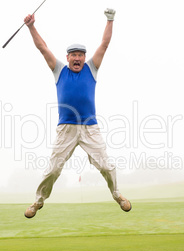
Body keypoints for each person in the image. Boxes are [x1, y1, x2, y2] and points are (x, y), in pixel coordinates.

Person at [23, 8, 131, 218]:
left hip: (90, 128)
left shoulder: (92, 69)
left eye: (80, 55)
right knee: (53, 170)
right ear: (68, 57)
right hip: (66, 129)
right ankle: (37, 203)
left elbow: (105, 44)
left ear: (84, 58)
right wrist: (31, 26)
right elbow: (42, 48)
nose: (77, 58)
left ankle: (118, 196)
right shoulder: (59, 70)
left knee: (107, 167)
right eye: (74, 55)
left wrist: (110, 20)